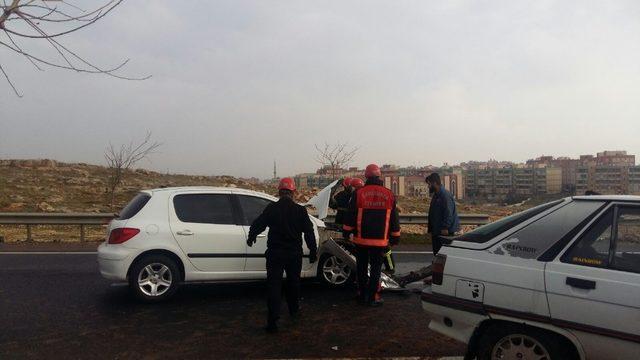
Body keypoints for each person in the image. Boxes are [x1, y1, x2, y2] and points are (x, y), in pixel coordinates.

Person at [247, 177, 318, 333]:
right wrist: (313, 251)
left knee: (274, 285)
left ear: (279, 192)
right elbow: (309, 232)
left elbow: (259, 223)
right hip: (294, 254)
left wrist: (251, 236)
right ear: (293, 193)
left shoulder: (271, 208)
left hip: (275, 253)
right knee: (293, 283)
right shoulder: (300, 210)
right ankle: (294, 310)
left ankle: (272, 321)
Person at [343, 164, 400, 306]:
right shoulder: (389, 194)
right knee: (375, 269)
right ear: (379, 176)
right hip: (380, 241)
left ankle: (362, 295)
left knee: (361, 268)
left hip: (361, 240)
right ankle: (373, 297)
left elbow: (351, 215)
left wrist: (346, 231)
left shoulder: (359, 193)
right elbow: (394, 218)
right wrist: (395, 236)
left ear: (366, 176)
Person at [426, 173, 460, 254]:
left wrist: (445, 227)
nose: (428, 186)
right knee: (437, 254)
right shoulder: (436, 195)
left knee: (443, 255)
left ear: (434, 183)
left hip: (444, 232)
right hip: (437, 231)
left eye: (429, 184)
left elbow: (448, 213)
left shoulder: (445, 195)